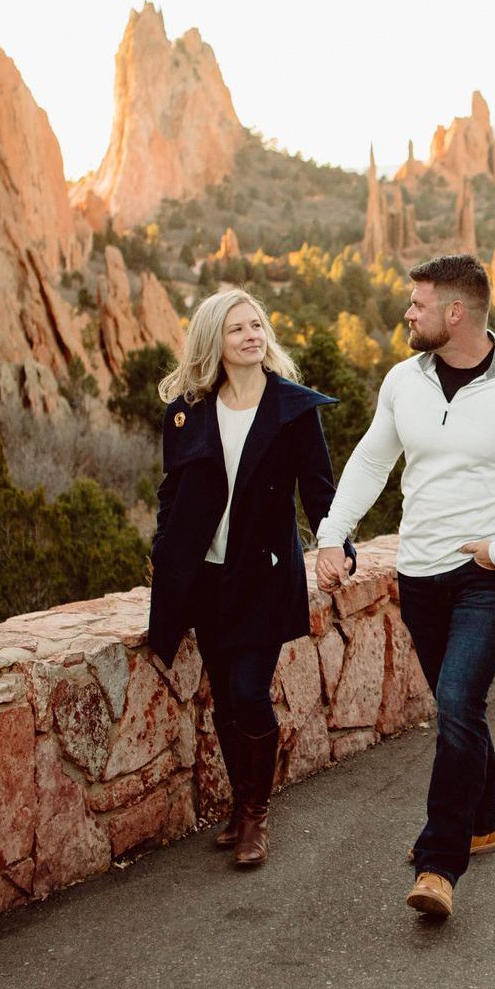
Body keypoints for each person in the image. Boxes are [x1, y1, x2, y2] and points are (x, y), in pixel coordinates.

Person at [313, 254, 495, 918]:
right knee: (461, 706)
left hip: (487, 576)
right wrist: (330, 534)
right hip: (420, 574)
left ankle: (441, 861)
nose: (408, 311)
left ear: (455, 313)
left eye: (419, 303)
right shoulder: (404, 381)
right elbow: (373, 459)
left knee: (458, 700)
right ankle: (482, 821)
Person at [148, 289, 353, 868]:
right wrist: (165, 551)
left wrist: (336, 547)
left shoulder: (292, 409)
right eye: (236, 328)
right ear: (214, 339)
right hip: (205, 579)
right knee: (224, 703)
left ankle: (257, 816)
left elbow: (319, 490)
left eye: (256, 324)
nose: (250, 335)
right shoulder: (188, 410)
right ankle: (241, 808)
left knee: (247, 691)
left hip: (263, 575)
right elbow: (172, 491)